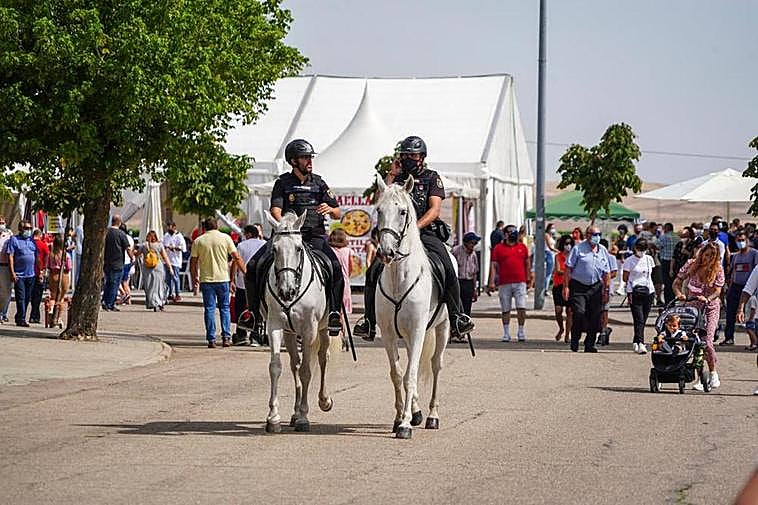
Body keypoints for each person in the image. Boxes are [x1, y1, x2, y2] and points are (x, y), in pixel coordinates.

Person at [353, 136, 475, 339]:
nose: (409, 158)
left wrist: (415, 228)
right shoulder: (397, 179)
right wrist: (391, 174)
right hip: (396, 238)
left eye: (413, 154)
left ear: (422, 157)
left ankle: (457, 317)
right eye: (405, 154)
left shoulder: (431, 177)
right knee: (373, 270)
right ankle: (369, 321)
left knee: (447, 267)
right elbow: (380, 203)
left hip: (425, 233)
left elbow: (435, 209)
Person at [246, 139, 344, 340]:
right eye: (305, 157)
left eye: (310, 157)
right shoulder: (282, 183)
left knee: (335, 267)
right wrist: (285, 228)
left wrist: (331, 209)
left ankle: (334, 313)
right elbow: (276, 210)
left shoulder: (319, 182)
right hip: (287, 237)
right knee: (254, 265)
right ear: (293, 161)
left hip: (314, 236)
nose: (309, 161)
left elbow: (338, 213)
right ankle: (254, 314)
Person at [673, 242, 724, 390]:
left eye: (711, 256)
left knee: (707, 341)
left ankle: (713, 372)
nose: (706, 259)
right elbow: (676, 282)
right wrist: (679, 294)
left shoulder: (718, 269)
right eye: (705, 254)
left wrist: (708, 298)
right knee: (694, 342)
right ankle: (701, 378)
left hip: (710, 307)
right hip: (692, 307)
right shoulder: (691, 264)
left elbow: (718, 291)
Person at [191, 217, 246, 348]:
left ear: (204, 227)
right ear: (217, 226)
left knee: (209, 309)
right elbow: (236, 257)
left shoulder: (199, 241)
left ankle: (211, 339)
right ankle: (226, 337)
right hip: (223, 279)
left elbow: (193, 262)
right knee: (225, 308)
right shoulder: (226, 238)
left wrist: (195, 277)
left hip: (207, 280)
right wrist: (245, 272)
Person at [562, 225, 611, 353]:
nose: (597, 237)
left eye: (599, 234)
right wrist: (566, 287)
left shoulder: (603, 250)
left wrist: (606, 290)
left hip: (596, 287)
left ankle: (590, 344)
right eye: (594, 234)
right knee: (579, 312)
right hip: (579, 286)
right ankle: (575, 339)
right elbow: (568, 268)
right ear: (587, 235)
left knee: (595, 316)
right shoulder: (578, 249)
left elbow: (607, 272)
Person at [488, 226, 531, 342]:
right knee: (505, 309)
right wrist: (491, 282)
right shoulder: (498, 248)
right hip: (504, 283)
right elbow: (493, 265)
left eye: (514, 232)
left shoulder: (522, 247)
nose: (513, 234)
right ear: (505, 234)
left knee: (521, 307)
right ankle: (506, 333)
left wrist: (529, 279)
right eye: (510, 232)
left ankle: (521, 331)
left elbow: (527, 263)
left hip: (520, 282)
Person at [721, 230, 758, 346]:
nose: (741, 242)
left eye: (743, 240)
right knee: (730, 314)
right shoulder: (736, 256)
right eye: (738, 240)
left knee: (750, 316)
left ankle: (754, 341)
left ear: (747, 240)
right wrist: (729, 287)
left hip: (749, 289)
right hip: (735, 288)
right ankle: (729, 338)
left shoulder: (754, 254)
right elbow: (733, 273)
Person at [230, 225, 265, 346]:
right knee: (257, 309)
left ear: (249, 234)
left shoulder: (241, 245)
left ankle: (241, 335)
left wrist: (232, 280)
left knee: (241, 308)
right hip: (259, 284)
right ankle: (256, 335)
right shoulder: (264, 244)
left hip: (242, 282)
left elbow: (235, 262)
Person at [623, 238, 655, 354]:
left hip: (649, 291)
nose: (642, 251)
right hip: (634, 292)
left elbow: (652, 274)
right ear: (635, 248)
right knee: (639, 318)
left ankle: (636, 340)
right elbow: (625, 277)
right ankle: (641, 343)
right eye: (640, 249)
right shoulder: (629, 261)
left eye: (644, 249)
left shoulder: (649, 259)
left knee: (643, 319)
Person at [5, 220, 38, 326]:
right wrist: (12, 272)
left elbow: (36, 257)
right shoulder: (14, 240)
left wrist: (40, 270)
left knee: (27, 297)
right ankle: (22, 319)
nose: (28, 231)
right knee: (21, 297)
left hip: (31, 274)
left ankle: (19, 316)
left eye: (30, 228)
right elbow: (10, 256)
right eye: (26, 228)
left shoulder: (32, 241)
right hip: (19, 275)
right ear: (20, 229)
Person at [452, 232, 481, 340]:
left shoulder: (473, 254)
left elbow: (474, 273)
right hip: (458, 282)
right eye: (472, 243)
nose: (474, 245)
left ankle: (463, 332)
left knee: (467, 309)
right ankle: (454, 331)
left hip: (468, 283)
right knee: (457, 307)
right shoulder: (456, 251)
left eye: (475, 243)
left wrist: (475, 289)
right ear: (466, 243)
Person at [102, 215, 133, 312]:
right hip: (118, 262)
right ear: (119, 222)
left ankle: (105, 301)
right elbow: (128, 248)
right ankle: (110, 304)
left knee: (108, 282)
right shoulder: (121, 234)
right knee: (115, 284)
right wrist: (132, 257)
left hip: (107, 262)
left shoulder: (106, 232)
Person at [136, 230, 171, 312]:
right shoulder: (159, 245)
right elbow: (165, 257)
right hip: (158, 267)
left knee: (150, 287)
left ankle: (153, 303)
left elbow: (137, 254)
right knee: (159, 286)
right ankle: (160, 302)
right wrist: (170, 268)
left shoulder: (144, 245)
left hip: (147, 268)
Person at [328, 228, 353, 334]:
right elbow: (351, 268)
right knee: (342, 313)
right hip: (345, 283)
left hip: (332, 283)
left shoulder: (329, 250)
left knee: (333, 308)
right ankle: (343, 334)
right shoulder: (348, 251)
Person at [46, 234, 72, 328]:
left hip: (53, 275)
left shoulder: (51, 254)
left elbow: (48, 266)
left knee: (53, 296)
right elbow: (69, 267)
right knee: (61, 298)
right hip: (63, 275)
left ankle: (51, 312)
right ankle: (59, 318)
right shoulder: (66, 255)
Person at [552, 234, 573, 343]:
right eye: (566, 244)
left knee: (570, 311)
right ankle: (561, 328)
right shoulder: (558, 256)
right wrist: (569, 272)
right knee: (558, 310)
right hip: (558, 285)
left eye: (570, 244)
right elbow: (558, 270)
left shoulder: (574, 256)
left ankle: (567, 334)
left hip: (570, 285)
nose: (568, 246)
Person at [29, 229, 50, 324]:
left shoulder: (29, 243)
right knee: (37, 296)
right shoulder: (43, 245)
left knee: (31, 295)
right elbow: (46, 258)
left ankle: (33, 315)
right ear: (40, 235)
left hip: (29, 272)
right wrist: (44, 270)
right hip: (39, 272)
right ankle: (35, 316)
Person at [163, 221, 186, 302]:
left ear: (174, 227)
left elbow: (183, 248)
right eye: (167, 227)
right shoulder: (166, 235)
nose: (168, 228)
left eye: (170, 227)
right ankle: (170, 294)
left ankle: (178, 294)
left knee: (175, 277)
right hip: (167, 260)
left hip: (175, 260)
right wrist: (166, 248)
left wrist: (174, 248)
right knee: (168, 278)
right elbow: (163, 245)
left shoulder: (179, 236)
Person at [657, 223, 678, 304]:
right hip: (675, 262)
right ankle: (673, 300)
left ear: (666, 229)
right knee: (674, 282)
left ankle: (668, 302)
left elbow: (657, 245)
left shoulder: (663, 237)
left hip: (666, 261)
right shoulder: (677, 237)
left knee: (667, 283)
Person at [0, 216, 14, 323]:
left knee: (6, 291)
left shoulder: (9, 235)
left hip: (5, 266)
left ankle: (3, 312)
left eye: (3, 222)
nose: (1, 225)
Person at [118, 223, 134, 305]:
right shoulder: (130, 238)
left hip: (122, 261)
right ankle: (128, 299)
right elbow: (132, 249)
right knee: (126, 282)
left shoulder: (121, 237)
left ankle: (125, 294)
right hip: (129, 262)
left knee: (118, 281)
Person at [543, 223, 557, 294]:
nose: (553, 229)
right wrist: (558, 251)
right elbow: (550, 247)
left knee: (550, 272)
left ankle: (546, 287)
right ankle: (545, 288)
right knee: (548, 272)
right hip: (548, 253)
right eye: (551, 228)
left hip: (551, 253)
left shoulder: (552, 236)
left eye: (554, 228)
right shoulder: (546, 235)